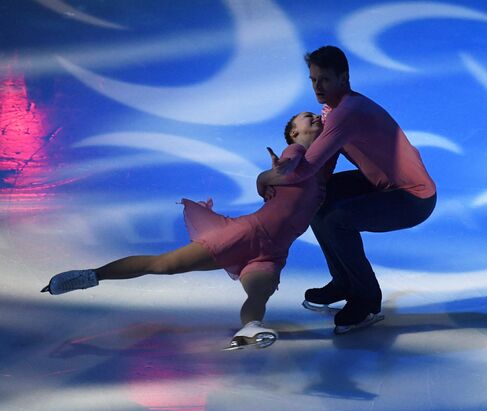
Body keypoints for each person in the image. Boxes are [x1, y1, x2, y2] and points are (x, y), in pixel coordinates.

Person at [41, 112, 335, 349]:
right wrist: (273, 172)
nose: (314, 118)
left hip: (273, 252)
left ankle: (250, 328)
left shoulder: (320, 164)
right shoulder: (297, 152)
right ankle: (90, 276)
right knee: (164, 265)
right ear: (295, 134)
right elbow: (289, 161)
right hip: (247, 234)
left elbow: (334, 130)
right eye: (307, 118)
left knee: (259, 295)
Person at [256, 46, 437, 333]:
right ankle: (343, 281)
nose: (317, 87)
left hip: (412, 196)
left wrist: (266, 178)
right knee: (320, 201)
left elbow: (307, 168)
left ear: (344, 77)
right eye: (313, 79)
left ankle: (366, 301)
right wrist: (300, 195)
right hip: (381, 182)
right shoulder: (330, 111)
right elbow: (323, 171)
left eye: (324, 79)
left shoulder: (347, 113)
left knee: (338, 220)